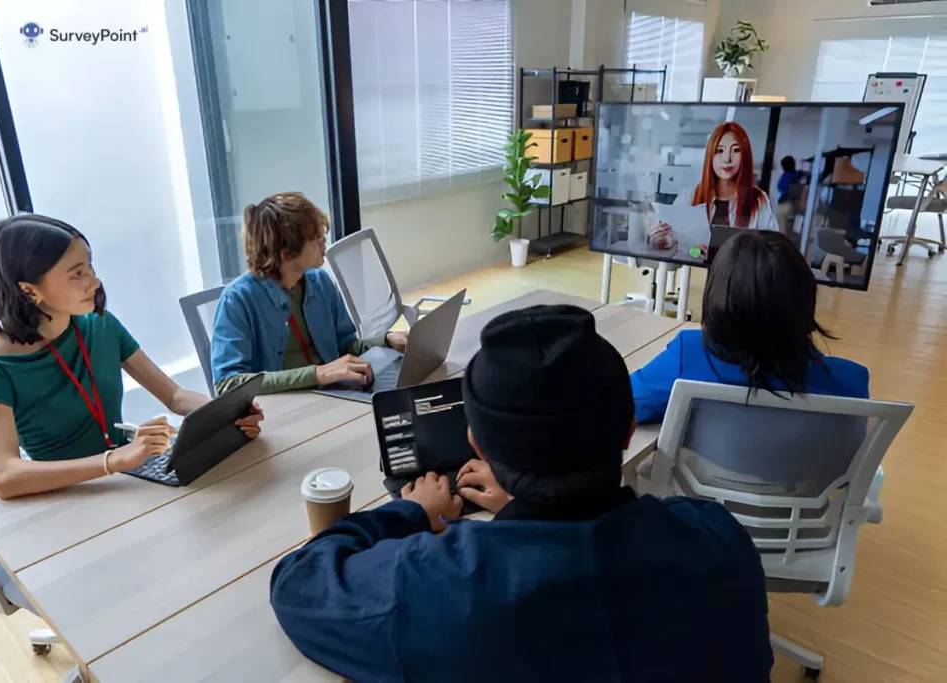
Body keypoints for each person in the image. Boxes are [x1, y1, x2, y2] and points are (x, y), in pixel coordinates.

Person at [270, 305, 774, 682]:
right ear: (628, 431)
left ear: (477, 446)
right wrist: (523, 509)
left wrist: (407, 511)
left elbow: (298, 584)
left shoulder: (432, 587)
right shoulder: (720, 541)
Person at [0, 215, 263, 500]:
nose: (95, 282)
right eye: (77, 273)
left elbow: (175, 396)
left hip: (125, 481)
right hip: (62, 497)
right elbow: (3, 477)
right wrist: (113, 461)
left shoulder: (100, 325)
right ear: (29, 291)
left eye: (90, 266)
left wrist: (229, 415)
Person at [631, 229, 869, 425]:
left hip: (697, 482)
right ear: (805, 296)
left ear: (717, 294)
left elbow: (626, 403)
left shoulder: (688, 356)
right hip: (806, 483)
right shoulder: (850, 382)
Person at [211, 192, 408, 396]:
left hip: (338, 395)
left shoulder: (320, 281)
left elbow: (344, 347)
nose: (324, 243)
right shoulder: (237, 300)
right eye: (315, 238)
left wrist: (385, 340)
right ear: (285, 252)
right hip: (286, 409)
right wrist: (317, 374)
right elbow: (228, 384)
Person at [650, 121, 778, 250]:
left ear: (745, 155)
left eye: (736, 150)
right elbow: (681, 248)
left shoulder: (758, 199)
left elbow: (771, 248)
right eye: (719, 150)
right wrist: (663, 241)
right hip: (697, 270)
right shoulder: (690, 195)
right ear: (710, 156)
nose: (727, 158)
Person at [775, 155, 807, 239]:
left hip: (785, 204)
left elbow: (784, 189)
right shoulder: (798, 176)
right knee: (791, 230)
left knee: (781, 231)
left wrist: (782, 199)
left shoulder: (787, 176)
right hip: (794, 206)